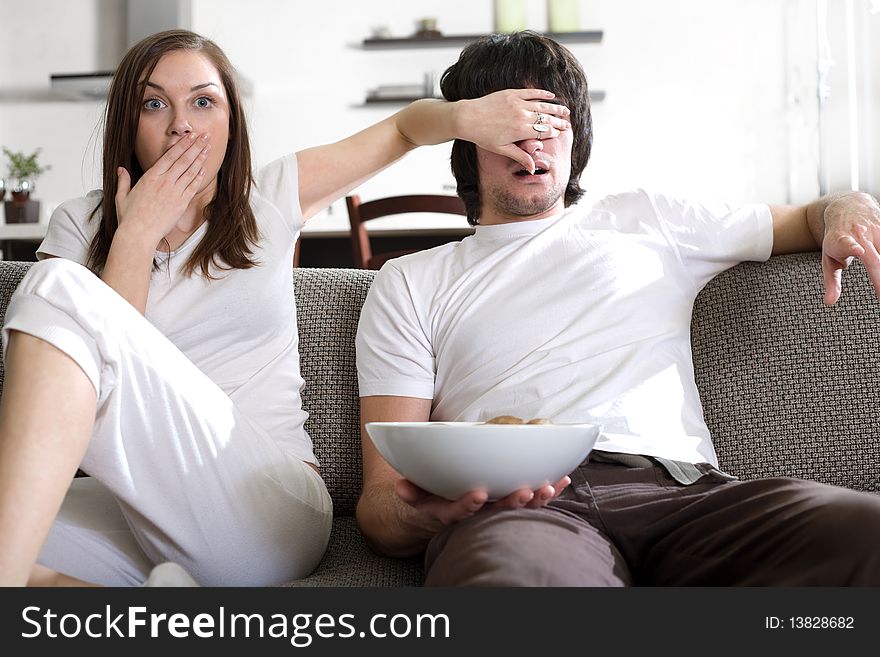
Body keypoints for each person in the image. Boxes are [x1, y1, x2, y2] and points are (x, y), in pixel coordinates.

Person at [0, 29, 572, 587]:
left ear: (231, 122)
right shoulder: (82, 222)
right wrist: (135, 236)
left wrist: (461, 120)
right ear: (129, 121)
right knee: (15, 533)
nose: (181, 123)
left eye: (203, 101)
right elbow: (99, 377)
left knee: (55, 285)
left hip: (265, 502)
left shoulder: (266, 200)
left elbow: (401, 129)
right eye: (155, 104)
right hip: (137, 502)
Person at [354, 31, 880, 586]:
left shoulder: (649, 218)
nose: (532, 144)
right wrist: (427, 511)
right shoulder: (409, 281)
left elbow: (812, 214)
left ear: (575, 136)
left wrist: (851, 210)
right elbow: (381, 506)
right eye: (509, 124)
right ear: (466, 140)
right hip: (522, 508)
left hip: (685, 495)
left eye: (551, 121)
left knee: (865, 533)